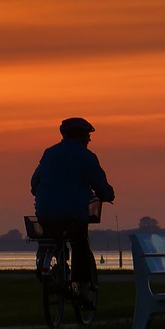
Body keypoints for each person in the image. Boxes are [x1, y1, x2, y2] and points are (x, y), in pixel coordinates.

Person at [31, 117, 115, 303]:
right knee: (80, 245)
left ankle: (49, 265)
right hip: (73, 215)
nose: (89, 140)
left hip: (45, 214)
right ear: (79, 136)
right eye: (87, 135)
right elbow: (100, 185)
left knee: (52, 236)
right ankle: (83, 289)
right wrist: (108, 194)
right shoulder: (86, 157)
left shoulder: (49, 153)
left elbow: (34, 182)